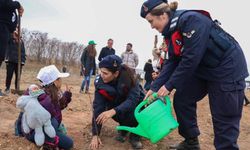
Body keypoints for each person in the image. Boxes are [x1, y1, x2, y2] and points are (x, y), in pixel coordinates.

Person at [140, 0, 249, 150]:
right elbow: (172, 61)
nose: (151, 26)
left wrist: (169, 85)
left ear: (163, 15)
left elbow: (191, 58)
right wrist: (155, 87)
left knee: (224, 117)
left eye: (151, 21)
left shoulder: (191, 20)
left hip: (227, 69)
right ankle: (191, 142)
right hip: (203, 68)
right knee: (182, 98)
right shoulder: (170, 33)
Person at [89, 55, 144, 150]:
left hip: (136, 107)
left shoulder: (130, 78)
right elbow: (98, 107)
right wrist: (95, 134)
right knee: (108, 109)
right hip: (118, 108)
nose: (102, 75)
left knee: (138, 109)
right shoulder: (100, 84)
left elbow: (133, 100)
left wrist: (114, 111)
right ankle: (124, 127)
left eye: (105, 73)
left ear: (116, 73)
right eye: (101, 72)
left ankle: (136, 134)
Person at [15, 65, 74, 149]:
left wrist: (67, 95)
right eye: (59, 78)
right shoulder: (47, 98)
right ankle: (48, 141)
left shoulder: (43, 94)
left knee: (57, 125)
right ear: (55, 81)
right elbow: (55, 115)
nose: (61, 80)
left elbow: (23, 112)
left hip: (31, 131)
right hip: (39, 133)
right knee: (69, 143)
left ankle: (48, 138)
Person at [0, 0, 24, 96]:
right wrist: (18, 5)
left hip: (6, 31)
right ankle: (7, 87)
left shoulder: (21, 42)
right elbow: (5, 4)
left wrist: (12, 31)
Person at [4, 30, 26, 94]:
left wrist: (23, 60)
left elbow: (23, 51)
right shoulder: (10, 39)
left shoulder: (21, 41)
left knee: (18, 76)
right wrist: (13, 32)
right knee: (9, 75)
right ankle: (7, 88)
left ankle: (17, 88)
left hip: (19, 62)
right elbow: (9, 34)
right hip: (10, 60)